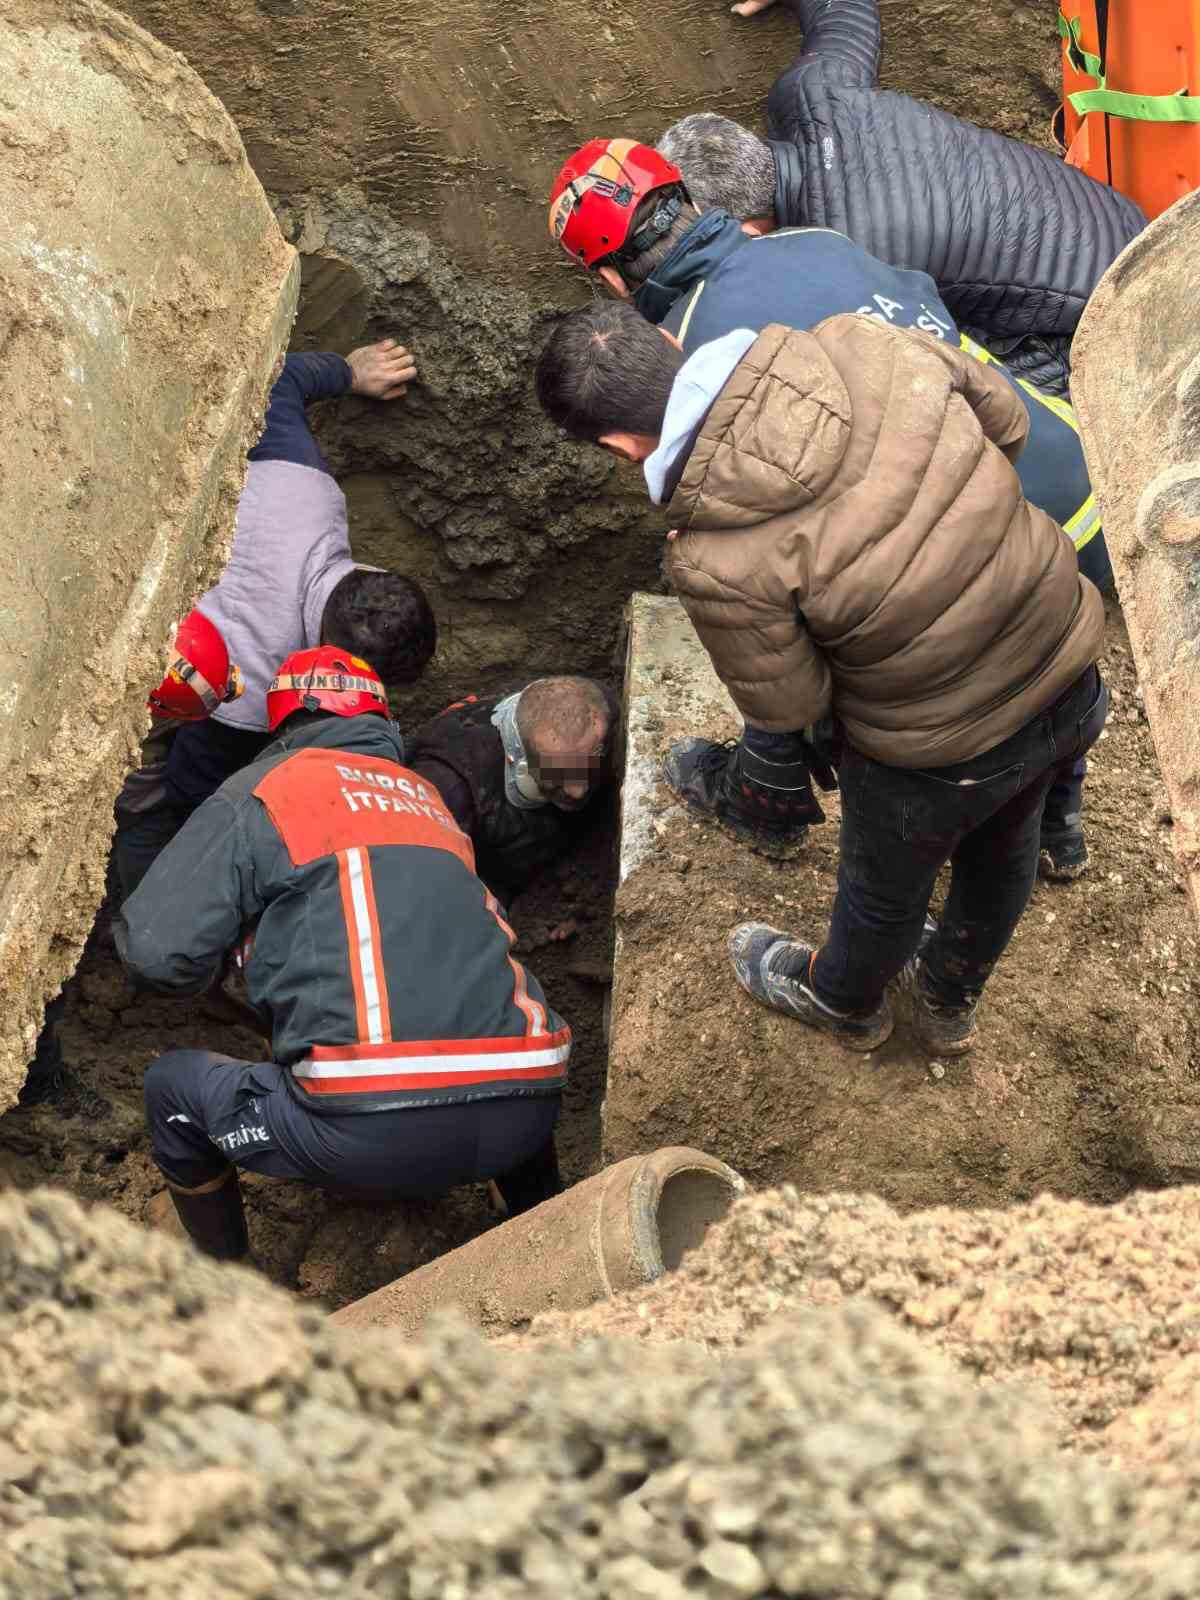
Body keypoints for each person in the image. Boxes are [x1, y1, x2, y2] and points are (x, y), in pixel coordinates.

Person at [535, 303, 1107, 1056]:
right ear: (670, 343)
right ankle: (946, 998)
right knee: (1009, 839)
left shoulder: (713, 555)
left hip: (940, 749)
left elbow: (793, 704)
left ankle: (845, 1001)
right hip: (1062, 645)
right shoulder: (854, 338)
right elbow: (1006, 419)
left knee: (883, 889)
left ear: (616, 444)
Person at [547, 139, 1106, 878]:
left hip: (993, 529)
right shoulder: (813, 239)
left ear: (616, 282)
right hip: (1078, 473)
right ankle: (1057, 826)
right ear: (688, 200)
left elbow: (775, 538)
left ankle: (771, 798)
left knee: (791, 609)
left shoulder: (692, 354)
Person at [114, 646, 571, 1261]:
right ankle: (543, 1223)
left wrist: (240, 955)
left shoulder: (264, 792)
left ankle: (226, 1284)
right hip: (531, 1113)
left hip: (366, 1136)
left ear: (283, 723)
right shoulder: (426, 799)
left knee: (171, 1090)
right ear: (382, 722)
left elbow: (156, 954)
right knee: (484, 1020)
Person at [654, 0, 1145, 394]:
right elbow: (844, 10)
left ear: (747, 229)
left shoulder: (849, 256)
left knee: (954, 396)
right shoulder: (812, 91)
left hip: (1110, 327)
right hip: (1131, 227)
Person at [112, 340, 437, 900]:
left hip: (124, 506)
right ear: (339, 674)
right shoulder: (257, 689)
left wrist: (347, 371)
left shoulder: (306, 489)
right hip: (145, 665)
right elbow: (199, 784)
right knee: (172, 800)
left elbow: (275, 379)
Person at [406, 677, 617, 910]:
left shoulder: (599, 716)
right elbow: (427, 886)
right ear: (520, 762)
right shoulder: (447, 786)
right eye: (559, 776)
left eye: (586, 767)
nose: (578, 791)